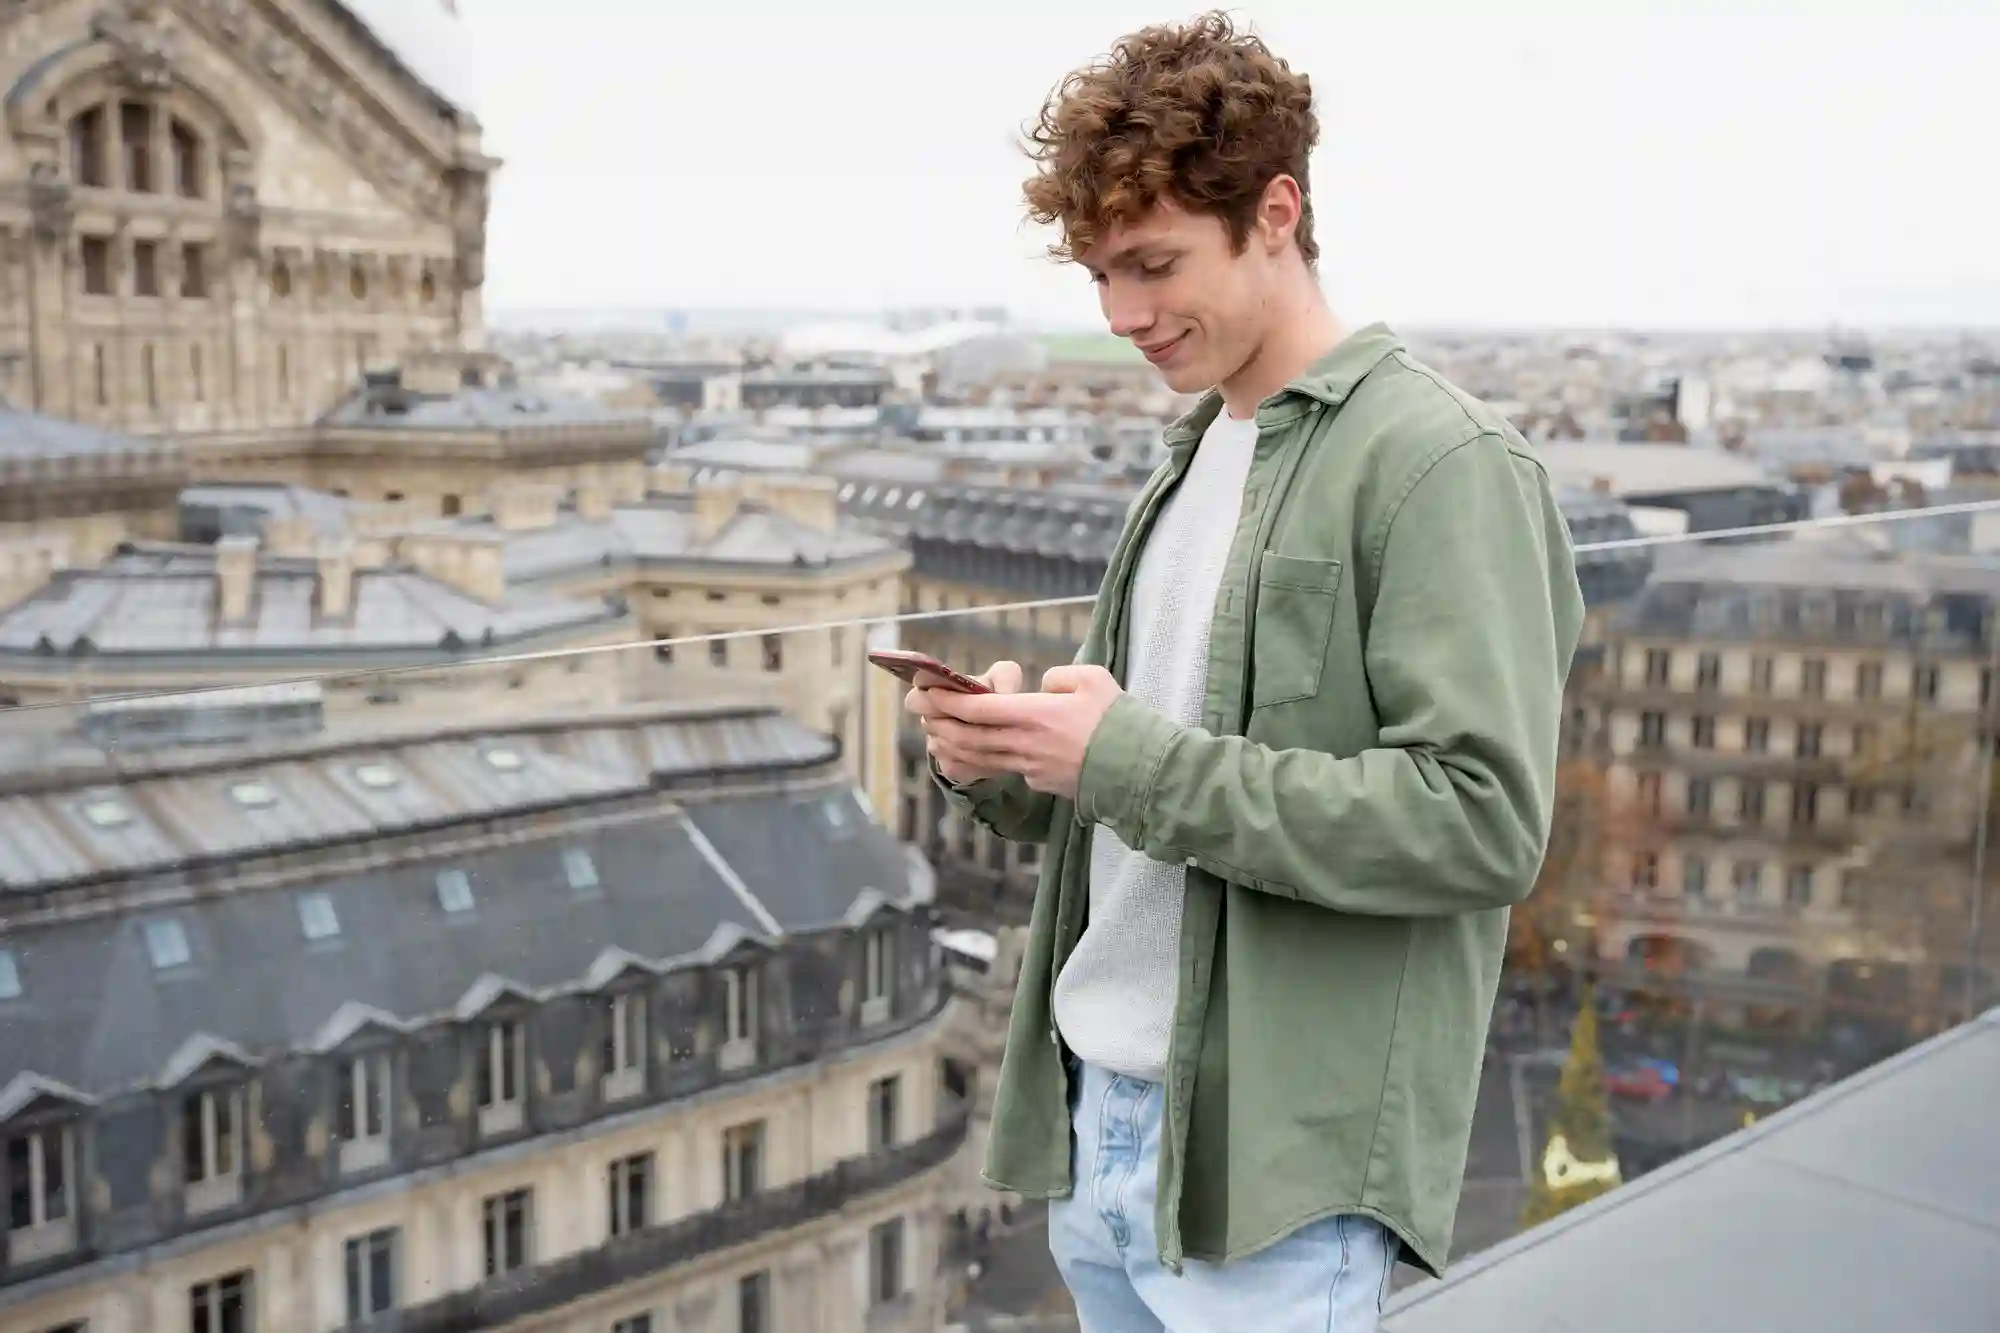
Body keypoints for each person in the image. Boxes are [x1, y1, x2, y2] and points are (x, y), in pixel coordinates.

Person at [906, 12, 1585, 1333]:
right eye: (1099, 277)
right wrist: (1011, 765)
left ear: (1277, 212)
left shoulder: (1440, 465)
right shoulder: (1194, 455)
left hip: (1268, 1167)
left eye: (1153, 265)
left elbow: (1483, 824)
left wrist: (1121, 759)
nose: (1121, 317)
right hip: (1101, 1124)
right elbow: (1146, 789)